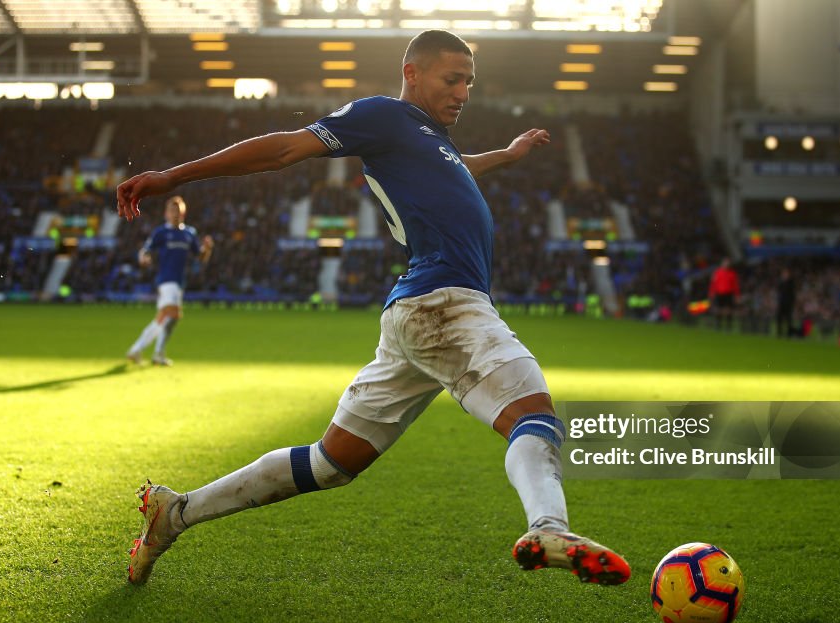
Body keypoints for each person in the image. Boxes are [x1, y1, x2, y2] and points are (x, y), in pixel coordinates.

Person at [116, 30, 630, 587]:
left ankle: (176, 512)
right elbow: (287, 147)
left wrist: (507, 155)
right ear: (412, 73)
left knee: (329, 463)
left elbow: (459, 168)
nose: (463, 92)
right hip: (446, 303)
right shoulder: (384, 116)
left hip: (418, 313)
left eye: (469, 83)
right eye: (451, 79)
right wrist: (173, 176)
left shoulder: (430, 141)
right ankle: (547, 525)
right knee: (535, 417)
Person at [125, 196, 213, 366]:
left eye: (178, 211)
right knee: (172, 315)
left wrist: (208, 249)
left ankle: (141, 350)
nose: (175, 214)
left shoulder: (189, 233)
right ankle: (151, 352)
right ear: (166, 213)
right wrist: (143, 258)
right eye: (172, 211)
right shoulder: (161, 233)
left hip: (179, 282)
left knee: (165, 318)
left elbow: (201, 257)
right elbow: (146, 250)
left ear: (183, 213)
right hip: (166, 280)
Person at [708, 257, 740, 331]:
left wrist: (737, 295)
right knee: (718, 309)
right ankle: (718, 325)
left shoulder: (732, 273)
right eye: (725, 262)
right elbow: (713, 284)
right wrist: (711, 293)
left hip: (728, 293)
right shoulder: (717, 272)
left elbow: (735, 285)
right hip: (719, 293)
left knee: (728, 310)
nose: (727, 264)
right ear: (722, 263)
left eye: (728, 262)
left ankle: (728, 326)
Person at [776, 267, 796, 338]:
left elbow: (792, 293)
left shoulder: (791, 282)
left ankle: (789, 334)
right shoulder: (781, 282)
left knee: (788, 319)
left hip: (788, 303)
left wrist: (792, 302)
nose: (784, 275)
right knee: (779, 318)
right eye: (783, 273)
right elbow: (779, 291)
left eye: (785, 273)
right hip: (781, 302)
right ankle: (779, 333)